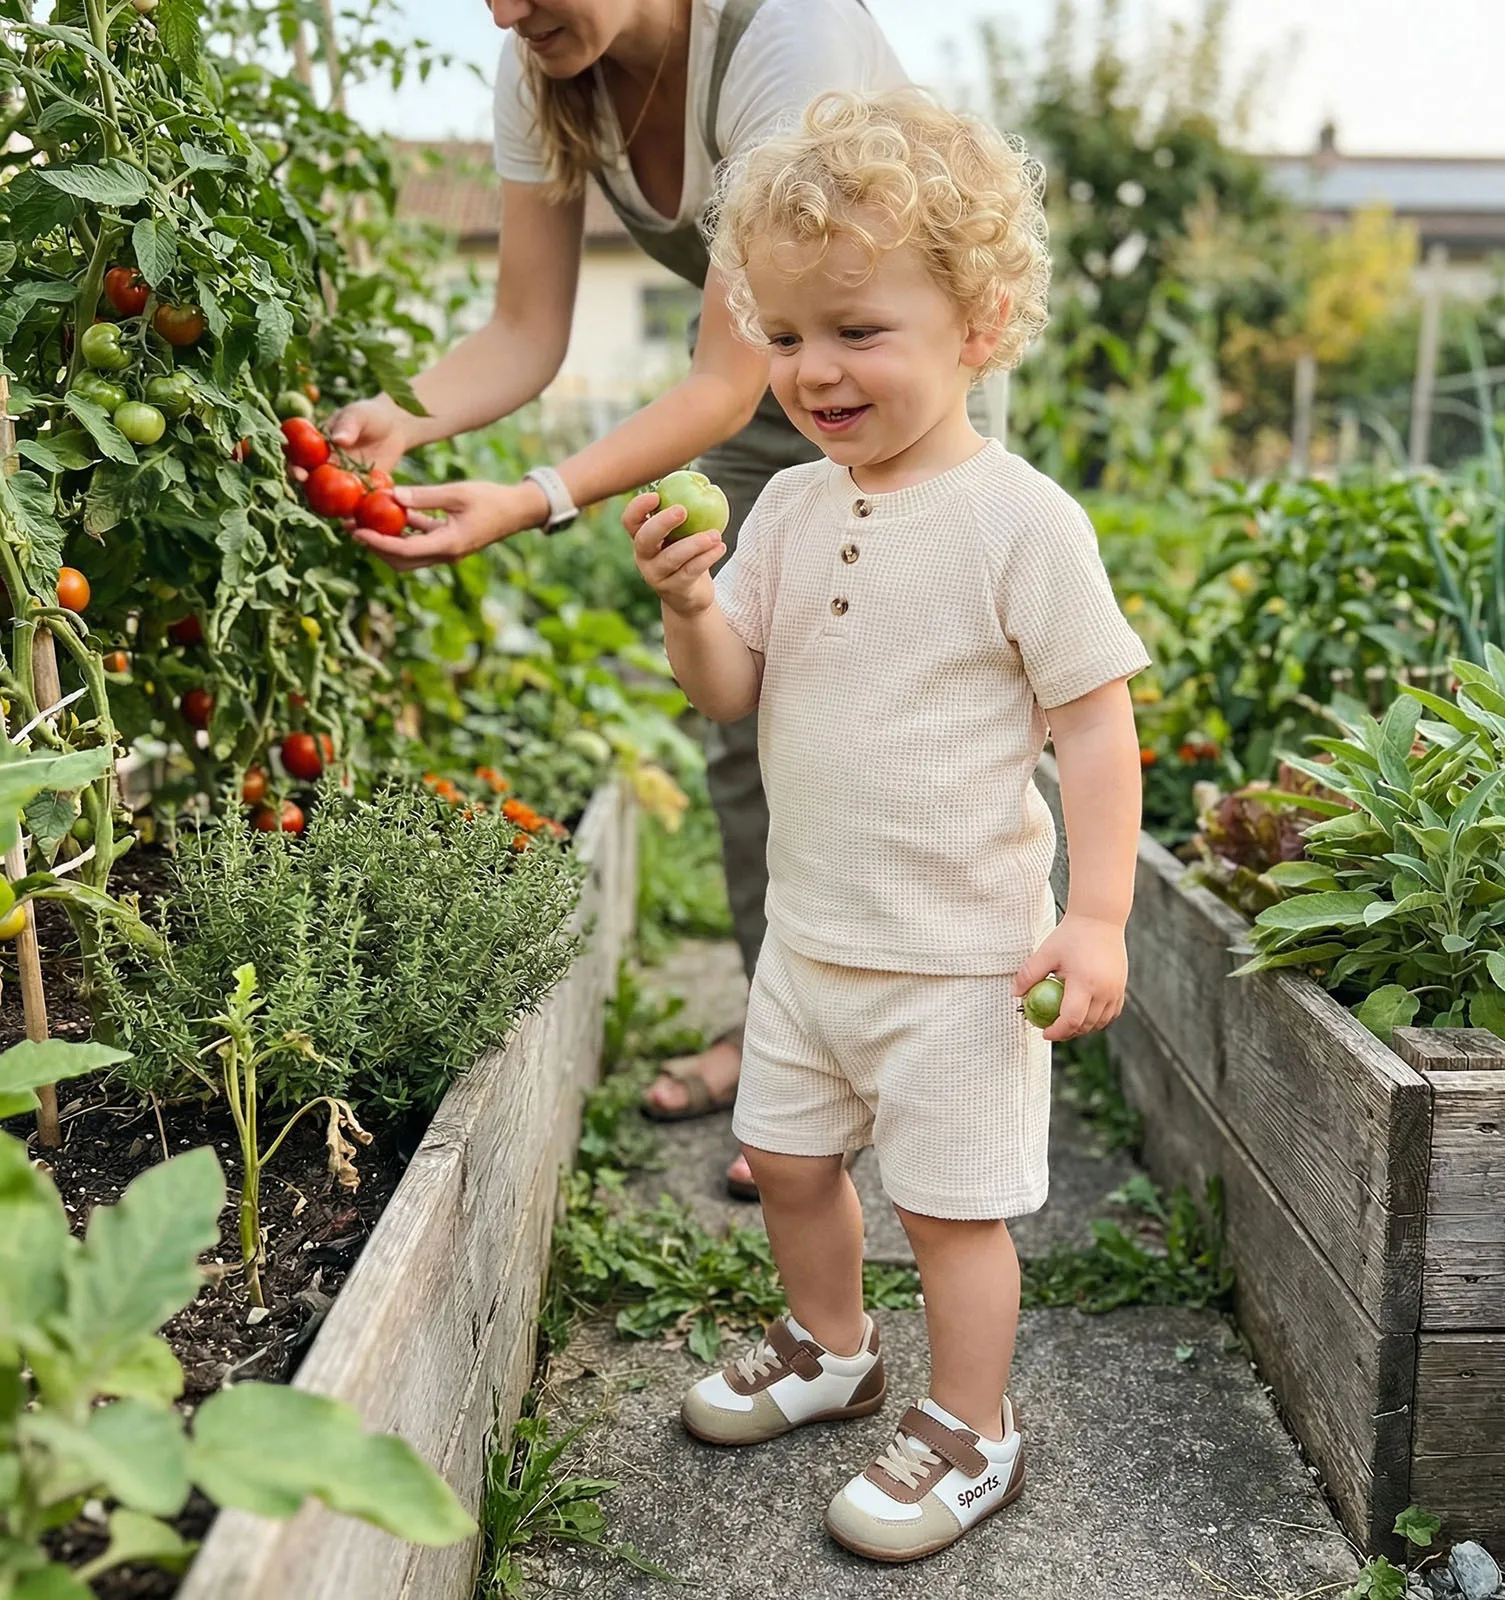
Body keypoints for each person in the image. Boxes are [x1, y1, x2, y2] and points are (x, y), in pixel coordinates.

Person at [322, 0, 1006, 1201]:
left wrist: (538, 493)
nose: (504, 9)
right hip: (772, 377)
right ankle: (790, 1047)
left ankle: (975, 1030)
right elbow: (526, 330)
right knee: (748, 718)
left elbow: (718, 378)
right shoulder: (545, 67)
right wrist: (399, 418)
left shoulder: (783, 37)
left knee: (935, 700)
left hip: (883, 376)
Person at [623, 89, 1149, 1561]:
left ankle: (973, 1432)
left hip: (961, 965)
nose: (812, 371)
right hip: (812, 944)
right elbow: (729, 688)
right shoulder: (786, 511)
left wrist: (1094, 912)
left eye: (857, 329)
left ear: (979, 321)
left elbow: (1094, 723)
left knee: (952, 1212)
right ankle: (830, 1349)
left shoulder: (1021, 523)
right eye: (786, 336)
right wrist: (684, 601)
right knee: (788, 1165)